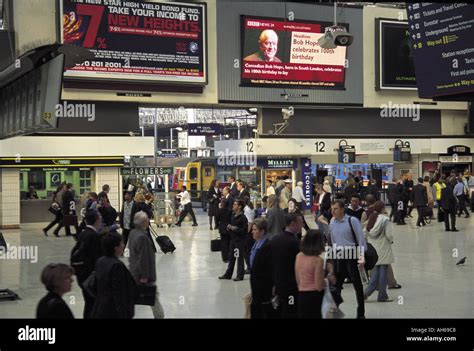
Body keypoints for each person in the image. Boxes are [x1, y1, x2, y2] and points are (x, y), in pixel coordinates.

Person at [329, 199, 366, 319]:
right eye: (332, 209)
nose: (333, 211)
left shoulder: (352, 221)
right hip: (339, 256)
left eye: (335, 209)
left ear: (342, 209)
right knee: (336, 286)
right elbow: (333, 242)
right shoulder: (332, 223)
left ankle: (361, 313)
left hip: (351, 255)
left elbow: (360, 239)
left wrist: (361, 256)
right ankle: (334, 311)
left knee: (357, 285)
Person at [128, 211, 165, 318]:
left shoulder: (133, 233)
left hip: (134, 272)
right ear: (144, 222)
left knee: (136, 296)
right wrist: (144, 276)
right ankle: (159, 316)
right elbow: (143, 258)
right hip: (144, 275)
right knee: (153, 297)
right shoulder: (142, 237)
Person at [91, 232, 136, 319]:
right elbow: (119, 293)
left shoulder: (100, 261)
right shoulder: (117, 266)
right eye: (122, 243)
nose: (123, 245)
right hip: (113, 310)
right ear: (116, 247)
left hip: (100, 307)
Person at [295, 229, 335, 319]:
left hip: (301, 295)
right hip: (314, 297)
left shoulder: (299, 256)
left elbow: (298, 280)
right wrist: (329, 277)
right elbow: (319, 285)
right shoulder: (318, 260)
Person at [71, 209, 103, 319]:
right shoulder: (93, 236)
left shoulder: (83, 233)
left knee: (89, 303)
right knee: (93, 303)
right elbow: (96, 258)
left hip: (82, 275)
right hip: (90, 276)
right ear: (97, 220)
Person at [271, 212, 303, 319]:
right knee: (291, 311)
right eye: (300, 223)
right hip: (292, 286)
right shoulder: (295, 242)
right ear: (293, 223)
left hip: (279, 284)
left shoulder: (275, 239)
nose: (301, 225)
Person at [363, 201, 394, 302]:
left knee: (376, 271)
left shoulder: (371, 218)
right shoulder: (385, 219)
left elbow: (364, 232)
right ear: (382, 208)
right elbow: (389, 235)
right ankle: (382, 295)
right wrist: (391, 240)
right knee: (383, 271)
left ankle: (367, 292)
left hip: (373, 248)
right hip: (383, 247)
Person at [249, 218, 274, 319]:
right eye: (253, 229)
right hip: (256, 282)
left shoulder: (267, 246)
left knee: (263, 309)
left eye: (255, 230)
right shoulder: (256, 243)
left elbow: (271, 268)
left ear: (262, 231)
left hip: (264, 285)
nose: (252, 232)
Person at [219, 200, 249, 281]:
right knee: (231, 258)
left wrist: (235, 229)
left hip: (239, 241)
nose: (233, 205)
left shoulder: (243, 218)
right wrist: (229, 227)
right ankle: (228, 274)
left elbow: (244, 231)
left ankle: (240, 275)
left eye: (235, 204)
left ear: (239, 207)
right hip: (233, 240)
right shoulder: (233, 215)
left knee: (239, 258)